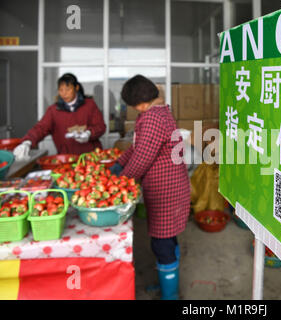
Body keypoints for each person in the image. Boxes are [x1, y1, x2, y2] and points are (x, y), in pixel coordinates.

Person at [110, 75, 190, 300]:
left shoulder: (153, 118)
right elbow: (138, 148)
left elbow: (143, 157)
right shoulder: (158, 113)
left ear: (140, 103)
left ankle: (170, 293)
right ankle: (167, 280)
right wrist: (119, 163)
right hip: (167, 188)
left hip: (167, 192)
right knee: (167, 238)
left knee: (162, 242)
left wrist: (122, 180)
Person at [13, 73, 106, 159]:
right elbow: (40, 128)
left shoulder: (89, 105)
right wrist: (27, 142)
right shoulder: (53, 110)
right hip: (66, 159)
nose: (64, 93)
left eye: (68, 89)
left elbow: (100, 126)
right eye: (61, 90)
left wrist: (89, 134)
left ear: (76, 88)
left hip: (92, 157)